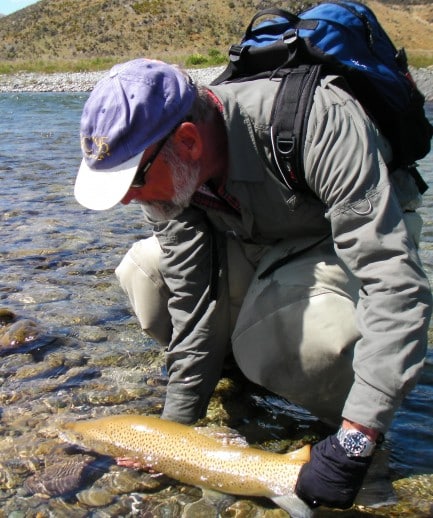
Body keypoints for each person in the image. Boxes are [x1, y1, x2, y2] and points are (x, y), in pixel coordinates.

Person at [74, 58, 432, 510]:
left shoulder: (319, 122)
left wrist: (355, 443)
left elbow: (395, 284)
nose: (127, 197)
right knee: (145, 273)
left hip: (335, 241)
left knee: (306, 340)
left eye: (133, 179)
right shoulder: (169, 170)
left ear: (187, 141)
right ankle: (240, 378)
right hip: (254, 236)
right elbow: (193, 301)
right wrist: (173, 437)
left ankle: (350, 417)